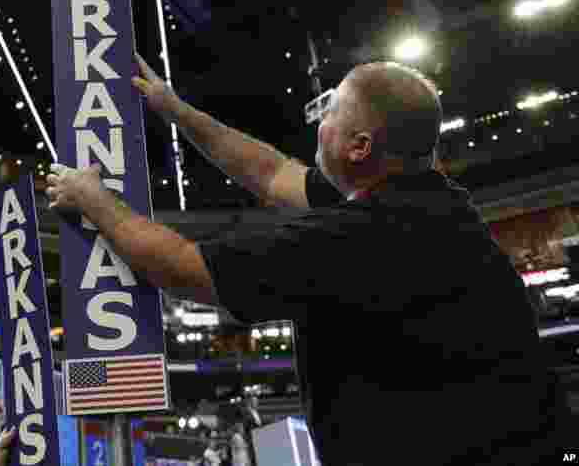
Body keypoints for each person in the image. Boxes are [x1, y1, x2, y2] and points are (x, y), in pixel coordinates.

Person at [43, 55, 561, 465]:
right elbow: (270, 173)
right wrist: (173, 108)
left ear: (359, 147)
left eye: (331, 112)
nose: (319, 121)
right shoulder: (429, 203)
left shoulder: (359, 239)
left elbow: (180, 267)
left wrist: (93, 199)